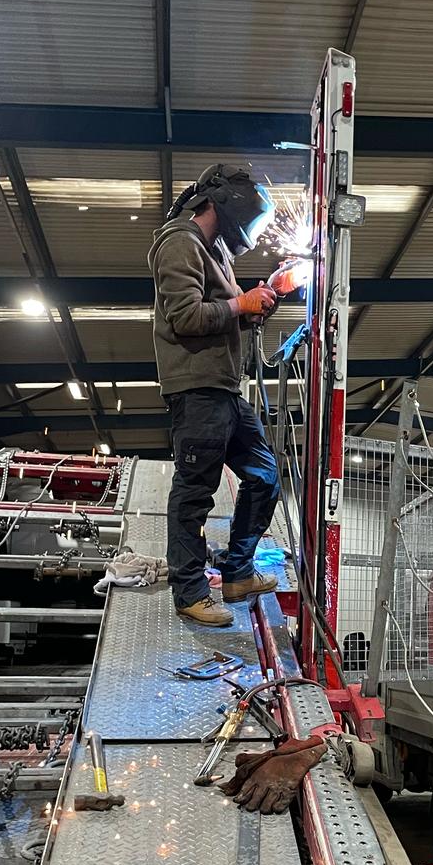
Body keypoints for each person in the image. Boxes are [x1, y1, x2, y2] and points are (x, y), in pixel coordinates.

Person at [149, 161, 283, 629]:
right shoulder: (179, 242)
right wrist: (240, 303)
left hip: (224, 389)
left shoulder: (216, 250)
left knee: (264, 476)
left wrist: (256, 303)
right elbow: (186, 317)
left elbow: (222, 314)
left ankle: (237, 573)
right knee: (194, 494)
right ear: (224, 203)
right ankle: (189, 593)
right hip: (197, 390)